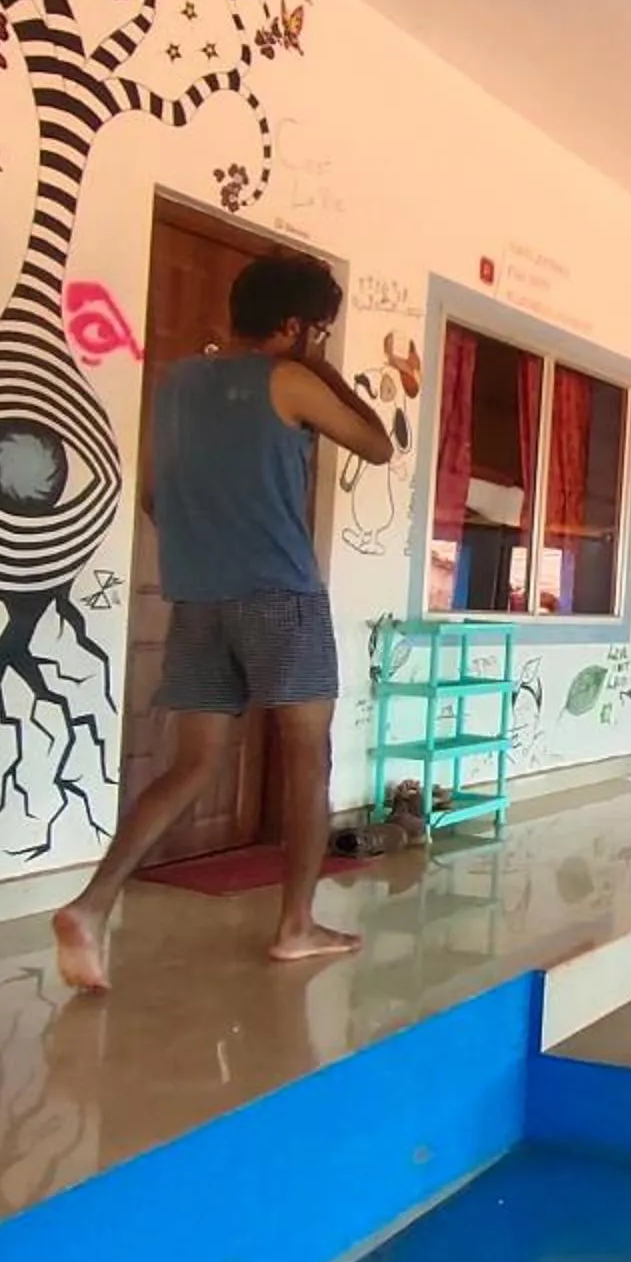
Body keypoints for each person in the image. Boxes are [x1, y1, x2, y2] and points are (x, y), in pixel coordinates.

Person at [52, 253, 395, 993]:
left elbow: (151, 496)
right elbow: (377, 443)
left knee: (191, 765)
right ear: (296, 327)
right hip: (281, 596)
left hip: (198, 599)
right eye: (320, 331)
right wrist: (320, 368)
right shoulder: (292, 378)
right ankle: (296, 925)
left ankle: (91, 904)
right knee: (307, 757)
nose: (323, 344)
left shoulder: (177, 384)